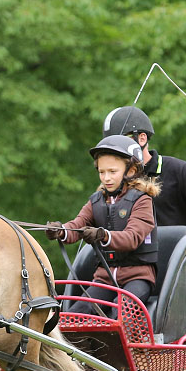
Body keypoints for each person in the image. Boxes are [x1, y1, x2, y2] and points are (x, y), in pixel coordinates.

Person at [102, 105, 186, 332]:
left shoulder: (178, 171)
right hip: (133, 282)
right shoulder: (115, 182)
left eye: (120, 144)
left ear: (141, 138)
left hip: (185, 284)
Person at [46, 134, 160, 316]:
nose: (106, 178)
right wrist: (61, 231)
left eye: (112, 172)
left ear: (130, 171)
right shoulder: (96, 201)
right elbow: (77, 225)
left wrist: (103, 235)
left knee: (123, 314)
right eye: (101, 172)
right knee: (77, 314)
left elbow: (132, 238)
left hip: (137, 277)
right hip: (104, 279)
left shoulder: (142, 201)